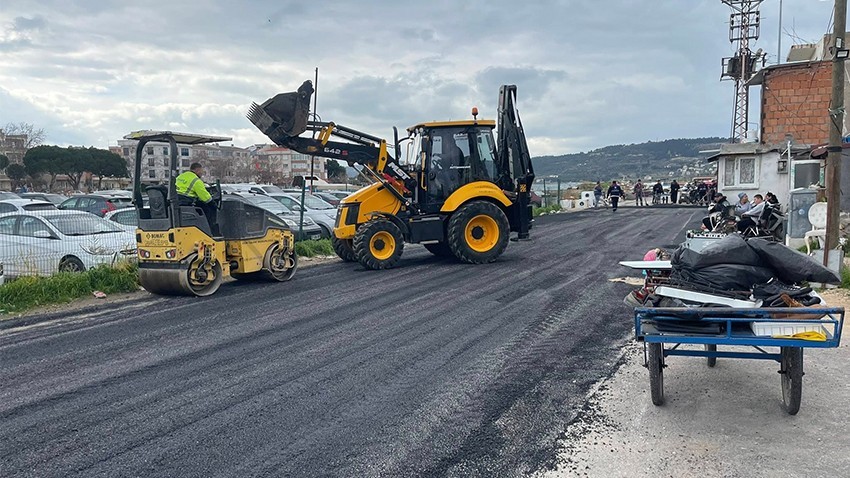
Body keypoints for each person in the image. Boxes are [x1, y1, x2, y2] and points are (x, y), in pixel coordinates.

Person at [176, 162, 218, 233]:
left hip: (176, 202)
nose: (202, 173)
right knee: (208, 209)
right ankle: (209, 231)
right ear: (198, 170)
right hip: (186, 203)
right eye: (202, 171)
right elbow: (205, 197)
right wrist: (213, 204)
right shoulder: (196, 180)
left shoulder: (181, 176)